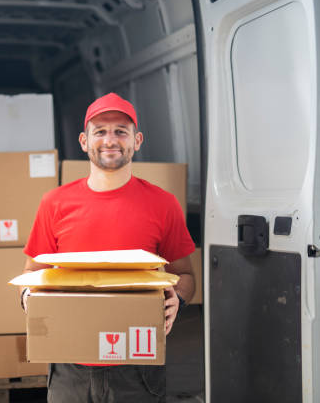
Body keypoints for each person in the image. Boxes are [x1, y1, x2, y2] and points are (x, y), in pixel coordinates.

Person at [19, 92, 196, 403]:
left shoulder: (162, 204)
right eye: (99, 131)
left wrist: (176, 300)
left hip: (137, 369)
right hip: (69, 367)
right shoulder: (55, 203)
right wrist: (29, 298)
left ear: (137, 140)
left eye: (120, 131)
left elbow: (185, 276)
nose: (110, 140)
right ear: (84, 141)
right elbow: (32, 273)